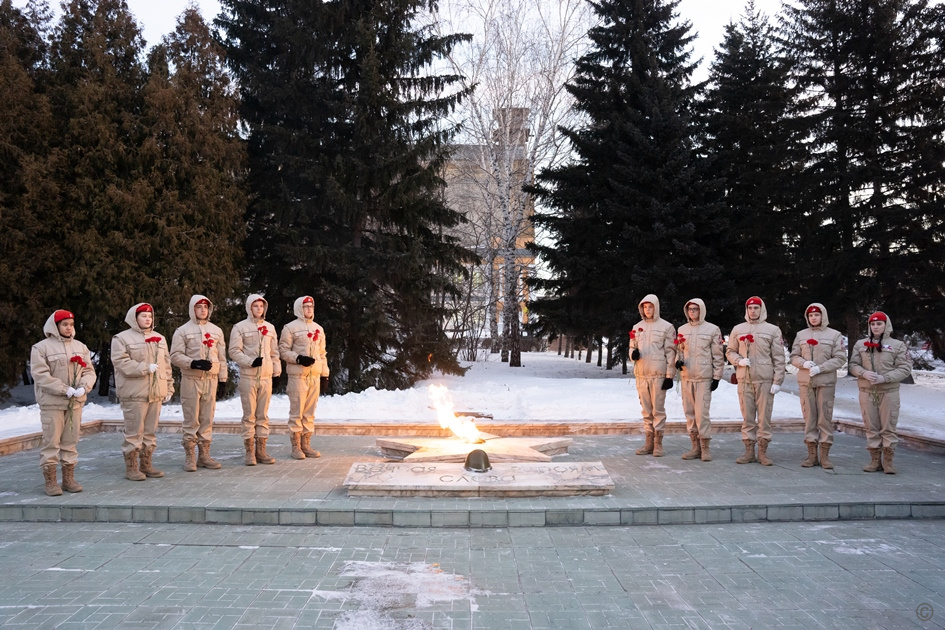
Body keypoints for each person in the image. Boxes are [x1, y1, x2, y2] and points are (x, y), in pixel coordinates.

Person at [30, 310, 96, 496]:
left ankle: (68, 478)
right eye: (64, 324)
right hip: (52, 403)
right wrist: (62, 388)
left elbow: (89, 371)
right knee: (51, 442)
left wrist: (84, 386)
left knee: (70, 441)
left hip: (74, 403)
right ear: (55, 326)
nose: (68, 328)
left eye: (71, 324)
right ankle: (51, 481)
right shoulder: (41, 348)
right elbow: (40, 375)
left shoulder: (80, 347)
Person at [111, 303, 174, 481]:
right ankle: (132, 467)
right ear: (134, 318)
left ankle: (146, 464)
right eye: (143, 316)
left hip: (155, 392)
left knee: (150, 432)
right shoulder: (122, 338)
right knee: (134, 431)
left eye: (150, 316)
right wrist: (144, 368)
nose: (148, 319)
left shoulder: (159, 338)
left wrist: (168, 386)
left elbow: (166, 365)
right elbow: (121, 362)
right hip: (135, 393)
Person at [848, 311, 912, 474]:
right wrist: (863, 373)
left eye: (879, 324)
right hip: (867, 391)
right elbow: (853, 364)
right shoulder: (861, 344)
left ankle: (888, 461)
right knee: (871, 426)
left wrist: (885, 378)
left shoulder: (897, 345)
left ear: (886, 325)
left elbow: (904, 368)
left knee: (888, 426)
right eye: (873, 324)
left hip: (888, 391)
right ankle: (875, 459)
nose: (876, 327)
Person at [726, 296, 786, 466]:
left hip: (765, 380)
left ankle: (763, 452)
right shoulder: (738, 329)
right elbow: (730, 351)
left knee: (764, 417)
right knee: (748, 417)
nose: (753, 311)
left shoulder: (773, 330)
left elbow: (779, 358)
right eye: (750, 308)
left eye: (756, 308)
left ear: (762, 309)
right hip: (745, 379)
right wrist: (739, 360)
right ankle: (749, 451)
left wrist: (777, 381)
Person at [170, 295, 227, 471]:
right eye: (199, 307)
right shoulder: (182, 331)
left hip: (210, 380)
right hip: (191, 379)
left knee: (207, 418)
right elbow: (175, 355)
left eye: (205, 306)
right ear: (192, 309)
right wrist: (192, 363)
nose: (203, 310)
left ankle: (204, 454)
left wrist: (223, 379)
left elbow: (222, 357)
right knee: (191, 418)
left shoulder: (216, 331)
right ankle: (190, 456)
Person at [789, 303, 846, 469]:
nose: (814, 318)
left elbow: (840, 358)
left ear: (823, 316)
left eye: (817, 315)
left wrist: (821, 368)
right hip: (806, 383)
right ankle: (812, 454)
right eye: (811, 315)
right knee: (809, 418)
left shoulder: (834, 335)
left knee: (824, 418)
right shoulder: (801, 335)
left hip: (825, 382)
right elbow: (794, 356)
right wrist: (804, 363)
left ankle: (825, 455)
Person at [229, 294, 281, 466]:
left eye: (261, 306)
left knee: (262, 415)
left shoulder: (270, 327)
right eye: (255, 306)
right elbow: (234, 351)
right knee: (249, 415)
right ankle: (250, 451)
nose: (259, 309)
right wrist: (250, 361)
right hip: (249, 376)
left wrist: (276, 370)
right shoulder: (240, 327)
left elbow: (274, 352)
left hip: (265, 377)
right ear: (249, 308)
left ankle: (261, 450)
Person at [675, 298, 725, 462]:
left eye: (695, 309)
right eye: (690, 309)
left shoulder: (712, 329)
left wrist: (716, 377)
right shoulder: (682, 329)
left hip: (703, 377)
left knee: (701, 413)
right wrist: (678, 360)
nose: (692, 312)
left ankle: (705, 447)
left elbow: (718, 355)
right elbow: (680, 350)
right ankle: (695, 447)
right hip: (687, 376)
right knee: (689, 413)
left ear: (701, 310)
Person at [279, 295, 329, 459]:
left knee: (309, 412)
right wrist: (298, 358)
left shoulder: (318, 329)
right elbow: (283, 350)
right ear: (299, 308)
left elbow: (322, 353)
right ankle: (296, 446)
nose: (309, 309)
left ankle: (306, 444)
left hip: (314, 376)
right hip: (298, 376)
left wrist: (324, 375)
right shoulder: (290, 328)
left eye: (311, 307)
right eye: (306, 306)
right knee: (297, 411)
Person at [629, 294, 676, 457]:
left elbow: (671, 352)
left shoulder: (666, 327)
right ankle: (648, 442)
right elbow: (632, 345)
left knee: (658, 410)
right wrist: (632, 354)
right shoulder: (637, 327)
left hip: (658, 374)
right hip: (642, 374)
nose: (647, 310)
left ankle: (658, 443)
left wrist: (670, 375)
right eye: (645, 307)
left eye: (650, 307)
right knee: (646, 410)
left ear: (656, 308)